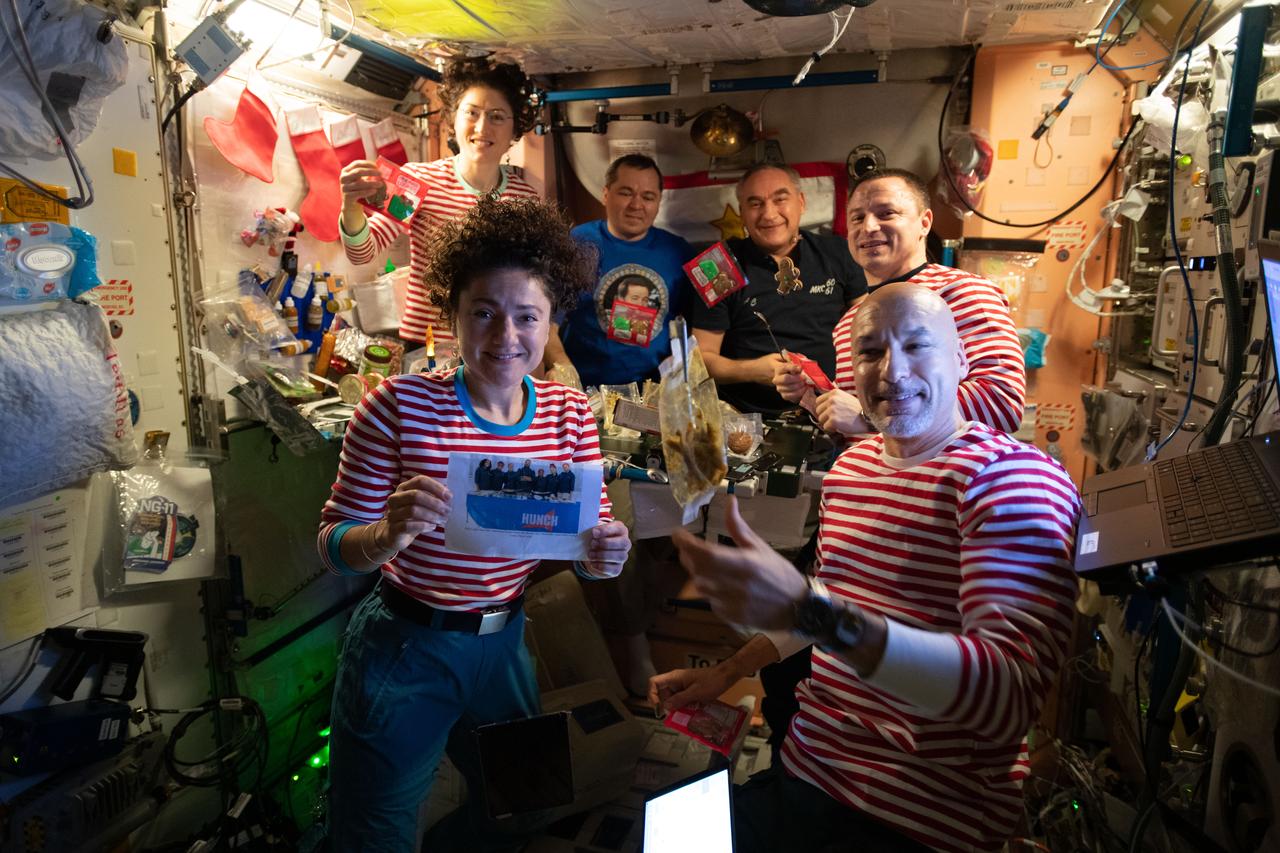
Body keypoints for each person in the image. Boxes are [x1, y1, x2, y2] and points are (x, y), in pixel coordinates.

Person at [652, 283, 1080, 853]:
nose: (892, 372)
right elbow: (826, 603)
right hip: (807, 774)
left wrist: (819, 614)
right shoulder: (853, 468)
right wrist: (726, 671)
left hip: (921, 817)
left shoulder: (1009, 480)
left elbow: (1006, 697)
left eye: (916, 345)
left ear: (961, 360)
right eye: (871, 351)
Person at [319, 197, 632, 853]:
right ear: (451, 314)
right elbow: (335, 545)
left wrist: (605, 552)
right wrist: (383, 535)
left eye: (526, 317)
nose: (504, 337)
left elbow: (585, 544)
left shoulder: (570, 414)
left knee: (525, 805)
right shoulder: (397, 404)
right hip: (407, 647)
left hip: (505, 644)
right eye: (483, 313)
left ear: (551, 324)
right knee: (373, 834)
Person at [774, 168, 1024, 436]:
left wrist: (867, 416)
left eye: (886, 214)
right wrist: (813, 398)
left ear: (925, 223)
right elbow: (860, 433)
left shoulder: (964, 292)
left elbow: (1002, 404)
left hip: (941, 477)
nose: (868, 227)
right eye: (857, 218)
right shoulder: (852, 321)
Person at [338, 57, 539, 350]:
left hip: (493, 347)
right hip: (425, 347)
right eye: (472, 113)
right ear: (453, 119)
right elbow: (363, 252)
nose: (482, 127)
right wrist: (351, 205)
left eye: (497, 116)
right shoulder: (418, 182)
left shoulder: (525, 200)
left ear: (514, 130)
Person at [688, 163, 867, 415]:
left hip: (835, 411)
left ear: (801, 203)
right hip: (749, 419)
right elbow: (700, 360)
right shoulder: (716, 266)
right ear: (741, 212)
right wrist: (755, 370)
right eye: (755, 203)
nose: (769, 214)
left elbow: (867, 332)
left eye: (780, 199)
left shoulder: (839, 252)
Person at [544, 154, 695, 387]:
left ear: (658, 202)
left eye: (648, 197)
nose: (636, 205)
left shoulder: (679, 252)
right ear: (606, 194)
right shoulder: (575, 244)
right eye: (626, 193)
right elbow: (545, 323)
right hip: (586, 389)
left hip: (655, 392)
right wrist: (563, 368)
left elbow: (698, 328)